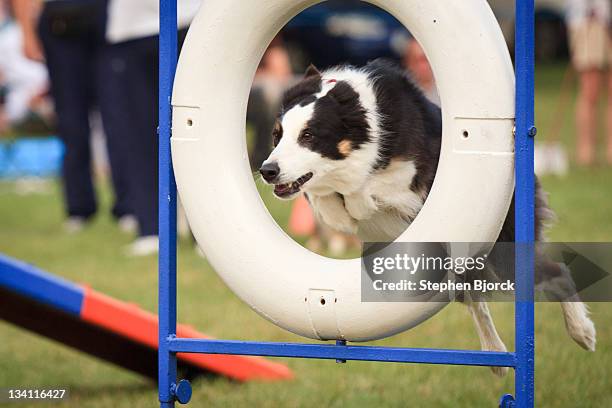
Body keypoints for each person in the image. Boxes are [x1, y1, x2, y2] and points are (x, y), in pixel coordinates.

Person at [12, 0, 133, 233]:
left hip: (106, 19)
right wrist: (26, 33)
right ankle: (79, 208)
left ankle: (128, 205)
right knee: (71, 122)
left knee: (117, 117)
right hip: (60, 22)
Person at [566, 0, 611, 165]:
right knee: (590, 90)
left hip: (605, 18)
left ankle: (609, 150)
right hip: (590, 20)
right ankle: (586, 152)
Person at [402, 37, 439, 105]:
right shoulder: (401, 91)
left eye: (425, 60)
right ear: (407, 63)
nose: (422, 65)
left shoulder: (445, 89)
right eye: (415, 60)